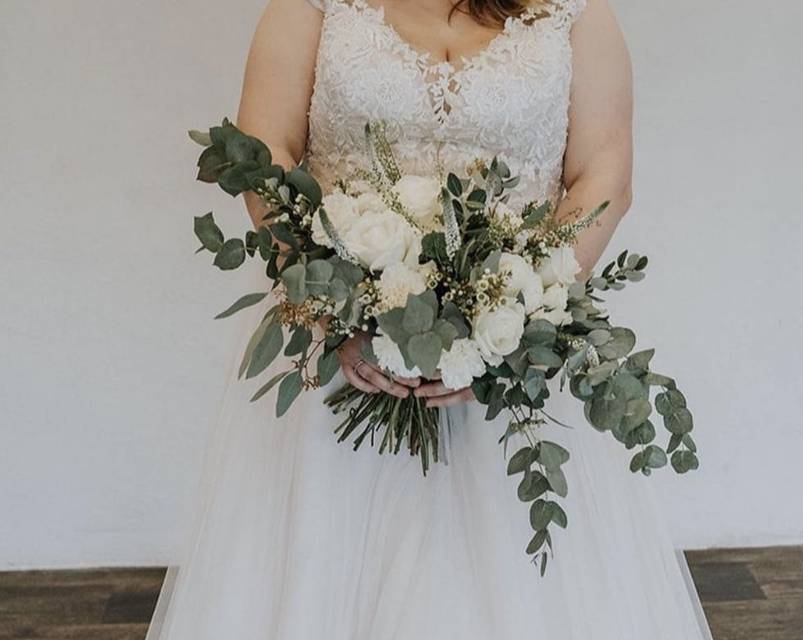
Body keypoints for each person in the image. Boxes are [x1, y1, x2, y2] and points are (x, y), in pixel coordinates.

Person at [148, 0, 713, 637]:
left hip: (510, 363)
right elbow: (264, 151)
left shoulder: (573, 12)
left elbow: (602, 177)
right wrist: (334, 311)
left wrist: (514, 318)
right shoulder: (314, 5)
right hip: (339, 353)